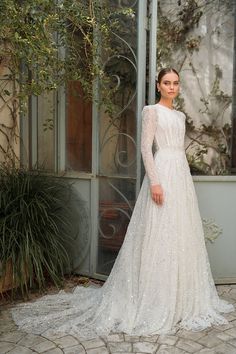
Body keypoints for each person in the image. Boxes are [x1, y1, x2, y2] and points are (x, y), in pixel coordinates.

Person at [11, 68, 234, 338]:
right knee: (157, 231)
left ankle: (180, 296)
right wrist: (154, 181)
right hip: (162, 170)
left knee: (179, 231)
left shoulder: (180, 115)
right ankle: (154, 297)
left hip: (180, 174)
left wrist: (181, 178)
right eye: (167, 83)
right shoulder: (151, 111)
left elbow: (180, 149)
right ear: (158, 85)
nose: (172, 87)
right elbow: (144, 148)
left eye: (175, 83)